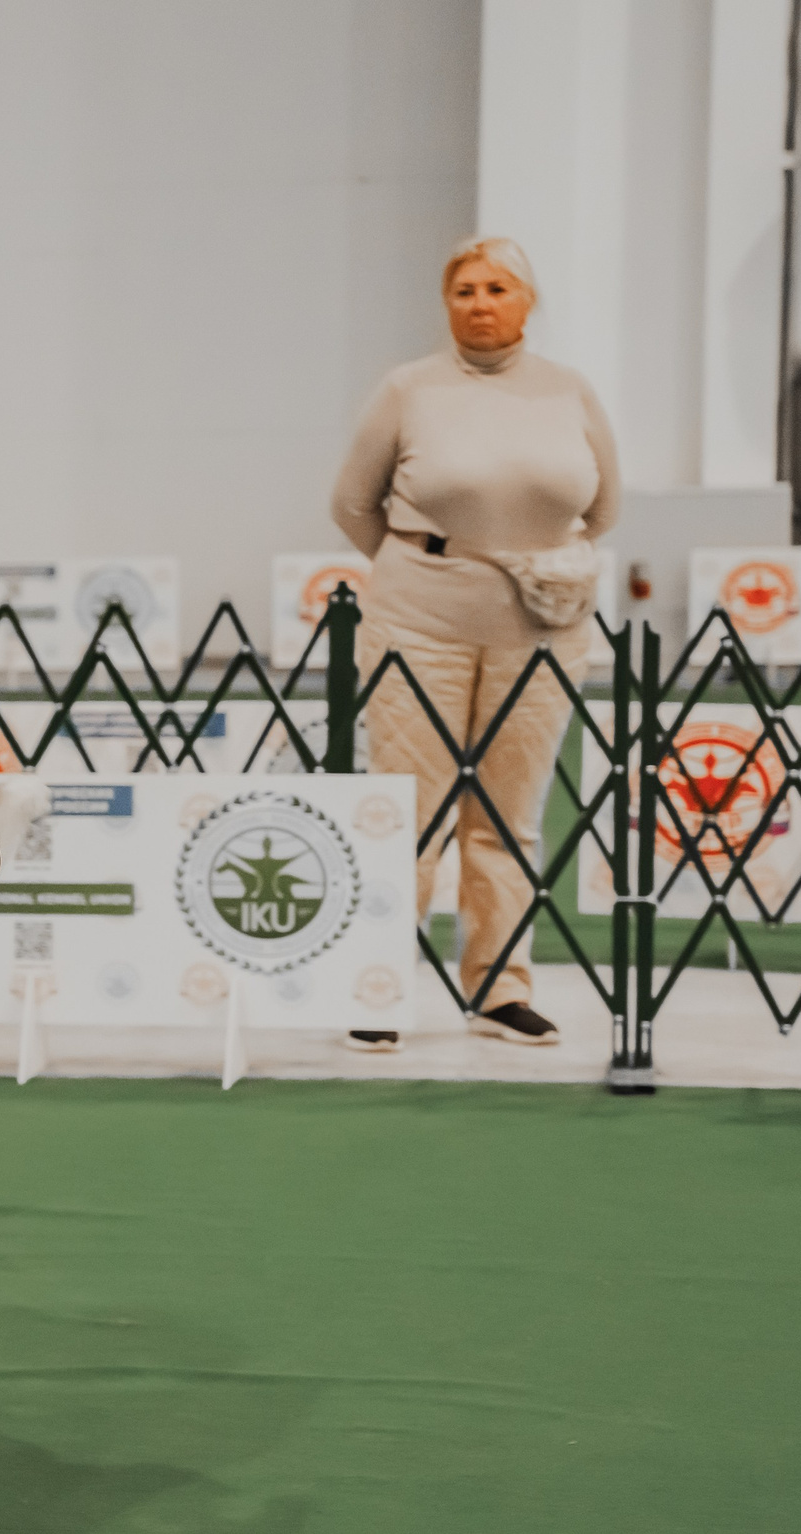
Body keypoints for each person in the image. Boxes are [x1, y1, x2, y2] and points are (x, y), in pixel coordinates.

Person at [329, 235, 621, 1050]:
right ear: (447, 303)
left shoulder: (572, 392)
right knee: (407, 815)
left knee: (507, 816)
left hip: (542, 630)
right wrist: (437, 568)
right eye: (465, 290)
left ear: (528, 301)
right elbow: (354, 504)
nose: (481, 302)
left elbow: (603, 511)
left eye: (498, 287)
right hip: (418, 624)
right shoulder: (407, 390)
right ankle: (378, 988)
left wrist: (523, 566)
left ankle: (499, 991)